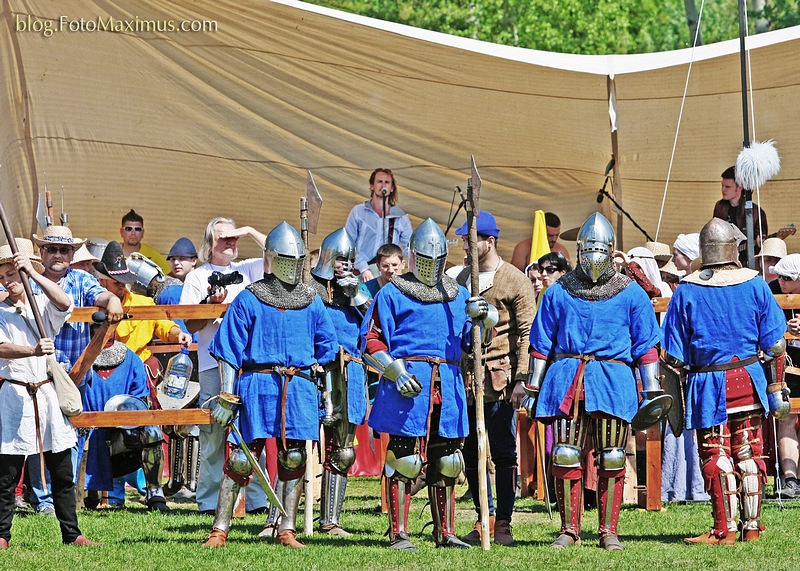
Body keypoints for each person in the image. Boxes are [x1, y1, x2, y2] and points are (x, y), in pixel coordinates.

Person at [522, 212, 665, 550]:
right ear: (580, 250)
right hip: (568, 377)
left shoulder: (631, 294)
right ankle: (569, 529)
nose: (594, 258)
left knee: (612, 456)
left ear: (611, 250)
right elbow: (541, 344)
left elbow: (646, 346)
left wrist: (653, 390)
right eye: (588, 250)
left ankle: (608, 531)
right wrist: (532, 387)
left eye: (600, 250)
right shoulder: (559, 291)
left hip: (613, 380)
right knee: (566, 455)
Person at [361, 218, 497, 551]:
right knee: (404, 460)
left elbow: (473, 343)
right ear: (413, 255)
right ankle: (399, 533)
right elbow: (370, 340)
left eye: (437, 260)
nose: (431, 266)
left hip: (447, 385)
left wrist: (486, 319)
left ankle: (445, 532)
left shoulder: (458, 293)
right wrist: (395, 372)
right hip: (408, 385)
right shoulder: (392, 293)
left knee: (448, 460)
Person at [202, 221, 338, 548]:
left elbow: (329, 346)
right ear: (271, 259)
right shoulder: (250, 299)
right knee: (240, 458)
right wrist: (227, 394)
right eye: (286, 260)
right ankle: (220, 528)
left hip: (298, 387)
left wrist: (324, 390)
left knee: (293, 458)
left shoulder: (311, 299)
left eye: (297, 261)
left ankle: (286, 528)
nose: (292, 267)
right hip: (257, 385)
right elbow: (229, 348)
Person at [662, 218, 787, 544]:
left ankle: (725, 529)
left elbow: (673, 357)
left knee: (716, 454)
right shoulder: (757, 285)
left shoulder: (687, 290)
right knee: (748, 454)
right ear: (733, 247)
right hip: (749, 380)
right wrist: (775, 387)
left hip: (707, 386)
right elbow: (775, 344)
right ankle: (752, 527)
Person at [0, 239, 96, 548]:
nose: (7, 280)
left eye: (12, 273)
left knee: (62, 470)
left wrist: (32, 272)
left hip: (46, 394)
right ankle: (2, 535)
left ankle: (72, 533)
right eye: (3, 275)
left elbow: (65, 303)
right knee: (7, 475)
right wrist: (32, 349)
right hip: (14, 395)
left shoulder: (41, 304)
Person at [452, 211, 536, 546]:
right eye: (463, 241)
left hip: (500, 378)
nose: (465, 246)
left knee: (502, 453)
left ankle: (503, 522)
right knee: (471, 451)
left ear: (490, 241)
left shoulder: (515, 280)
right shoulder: (460, 280)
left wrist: (521, 379)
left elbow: (527, 332)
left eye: (470, 240)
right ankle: (482, 516)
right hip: (467, 378)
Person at [29, 225, 124, 515]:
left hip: (75, 372)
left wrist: (114, 299)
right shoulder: (28, 281)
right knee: (36, 433)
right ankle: (43, 498)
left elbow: (101, 297)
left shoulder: (82, 279)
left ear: (72, 254)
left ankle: (64, 495)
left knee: (69, 434)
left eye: (64, 250)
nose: (58, 254)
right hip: (36, 369)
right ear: (41, 252)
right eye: (52, 249)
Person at [180, 217, 269, 515]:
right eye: (223, 238)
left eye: (233, 238)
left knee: (253, 432)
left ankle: (257, 501)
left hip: (249, 364)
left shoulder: (246, 270)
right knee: (214, 435)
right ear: (209, 244)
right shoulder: (197, 277)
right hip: (211, 363)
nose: (230, 242)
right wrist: (210, 303)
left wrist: (247, 230)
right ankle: (209, 502)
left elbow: (280, 252)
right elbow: (189, 323)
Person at [309, 228, 370, 536]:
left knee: (343, 449)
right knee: (293, 446)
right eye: (339, 260)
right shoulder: (309, 287)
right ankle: (281, 519)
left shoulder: (359, 290)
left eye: (349, 260)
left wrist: (355, 293)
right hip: (313, 370)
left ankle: (330, 521)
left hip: (349, 371)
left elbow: (374, 322)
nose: (343, 265)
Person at [80, 331, 170, 511]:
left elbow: (139, 398)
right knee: (89, 500)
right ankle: (87, 491)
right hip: (86, 428)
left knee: (151, 432)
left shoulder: (131, 359)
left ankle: (154, 491)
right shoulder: (79, 357)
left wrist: (130, 423)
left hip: (124, 427)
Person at [345, 168, 412, 282]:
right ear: (372, 186)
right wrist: (363, 268)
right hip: (362, 272)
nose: (383, 185)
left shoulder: (400, 216)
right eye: (379, 181)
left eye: (387, 182)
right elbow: (348, 244)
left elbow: (409, 247)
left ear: (392, 188)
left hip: (389, 272)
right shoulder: (358, 212)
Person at [770, 254, 800, 499]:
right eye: (778, 275)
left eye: (787, 278)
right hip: (787, 368)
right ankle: (790, 479)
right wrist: (784, 329)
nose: (780, 280)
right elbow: (763, 325)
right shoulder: (772, 291)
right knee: (786, 419)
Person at [713, 166, 769, 256]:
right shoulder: (719, 206)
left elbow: (762, 239)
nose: (723, 189)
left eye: (727, 186)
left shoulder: (755, 212)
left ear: (740, 187)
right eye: (722, 185)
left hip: (747, 260)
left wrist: (760, 244)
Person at [118, 209, 170, 274]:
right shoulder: (113, 253)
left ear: (142, 233)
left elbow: (171, 276)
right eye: (129, 229)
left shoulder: (152, 254)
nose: (133, 233)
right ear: (121, 232)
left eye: (137, 229)